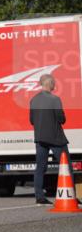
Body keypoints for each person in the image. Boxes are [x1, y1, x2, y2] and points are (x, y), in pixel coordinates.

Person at [30, 74, 70, 205]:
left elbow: (31, 120)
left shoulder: (33, 100)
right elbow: (61, 119)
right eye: (54, 83)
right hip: (56, 138)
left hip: (40, 138)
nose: (55, 85)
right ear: (50, 84)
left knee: (40, 168)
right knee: (66, 166)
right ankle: (71, 196)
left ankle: (39, 197)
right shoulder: (55, 99)